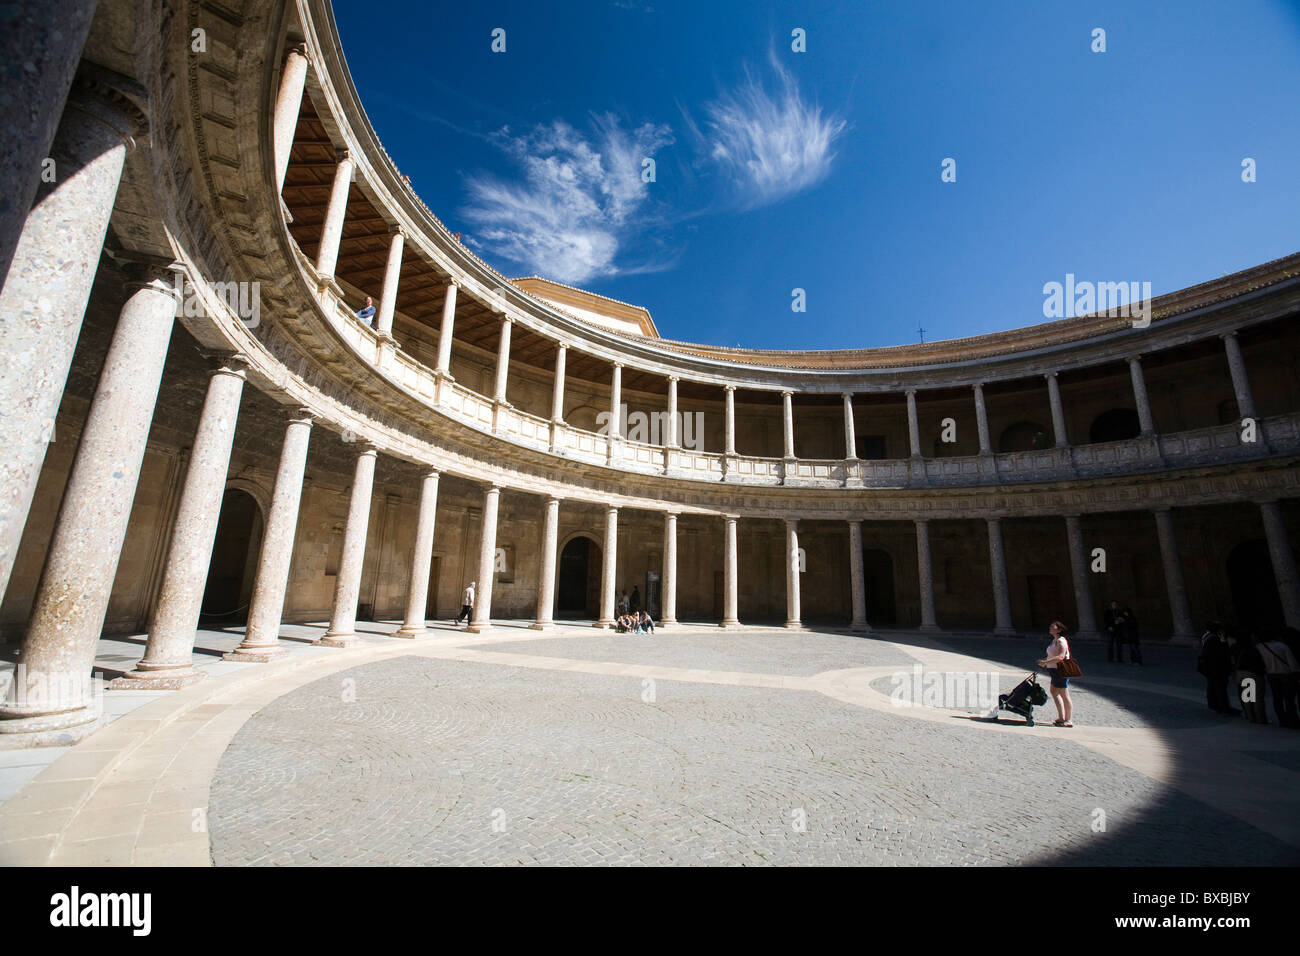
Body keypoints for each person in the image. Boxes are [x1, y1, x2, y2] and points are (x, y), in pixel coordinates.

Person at [1258, 629, 1300, 728]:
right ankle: (1292, 720)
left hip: (1271, 674)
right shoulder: (1282, 646)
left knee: (1277, 698)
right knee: (1289, 699)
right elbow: (1293, 664)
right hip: (1285, 674)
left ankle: (1282, 720)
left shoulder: (1260, 647)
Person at [1037, 620, 1074, 727]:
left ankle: (1068, 719)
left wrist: (1046, 662)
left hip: (1060, 670)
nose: (1050, 628)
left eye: (1053, 626)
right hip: (1054, 670)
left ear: (1059, 630)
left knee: (1064, 694)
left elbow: (1061, 657)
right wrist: (1046, 661)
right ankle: (1061, 717)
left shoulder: (1061, 641)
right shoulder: (1055, 640)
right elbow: (1053, 655)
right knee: (1054, 692)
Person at [1197, 624, 1237, 715]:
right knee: (1220, 688)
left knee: (1213, 686)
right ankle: (1222, 707)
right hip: (1217, 669)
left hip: (1210, 669)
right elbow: (1223, 654)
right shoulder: (1216, 640)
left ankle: (1215, 705)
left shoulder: (1207, 638)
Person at [1232, 631, 1269, 724]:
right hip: (1253, 674)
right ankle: (1260, 718)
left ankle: (1250, 717)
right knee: (1257, 698)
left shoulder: (1235, 647)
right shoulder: (1253, 650)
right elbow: (1259, 663)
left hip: (1242, 674)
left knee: (1248, 697)